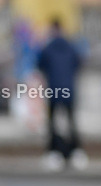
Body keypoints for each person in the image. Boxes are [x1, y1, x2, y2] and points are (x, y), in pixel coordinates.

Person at [36, 18, 86, 171]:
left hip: (54, 90)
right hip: (69, 90)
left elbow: (40, 65)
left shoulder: (47, 48)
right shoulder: (71, 47)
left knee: (53, 123)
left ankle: (54, 153)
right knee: (71, 122)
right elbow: (79, 64)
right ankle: (75, 152)